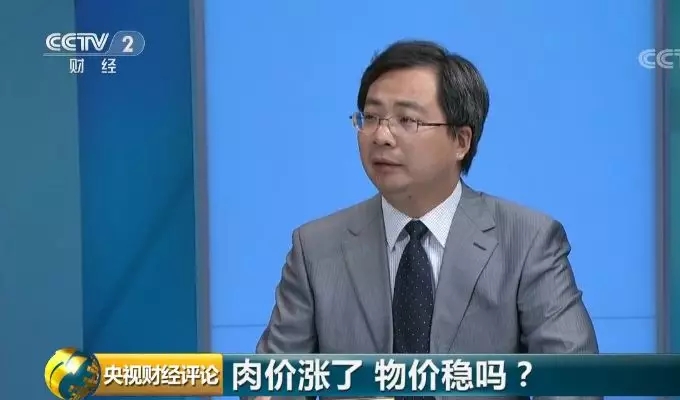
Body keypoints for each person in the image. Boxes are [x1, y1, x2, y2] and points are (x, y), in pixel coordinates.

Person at [252, 40, 599, 400]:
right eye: (371, 117)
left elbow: (574, 385)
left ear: (461, 141)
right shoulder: (316, 248)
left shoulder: (527, 241)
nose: (381, 136)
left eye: (407, 120)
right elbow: (269, 383)